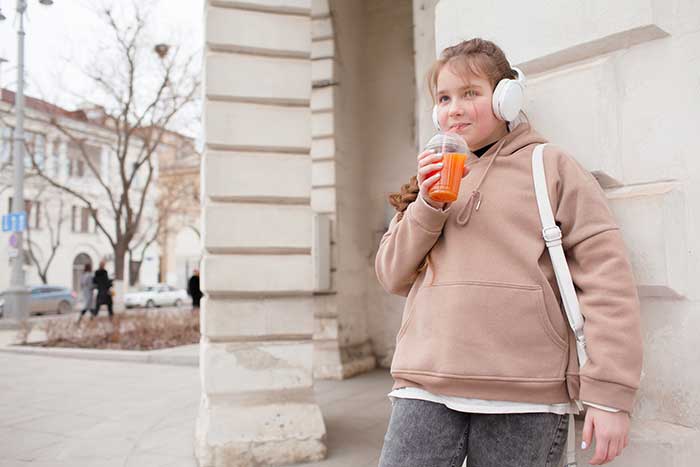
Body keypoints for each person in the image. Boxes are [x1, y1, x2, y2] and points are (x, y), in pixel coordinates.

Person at [375, 38, 642, 467]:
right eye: (444, 98)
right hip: (425, 386)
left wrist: (611, 396)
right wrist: (428, 205)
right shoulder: (429, 177)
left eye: (470, 94)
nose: (454, 109)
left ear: (505, 98)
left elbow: (607, 279)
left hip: (525, 393)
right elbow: (391, 274)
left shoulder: (549, 166)